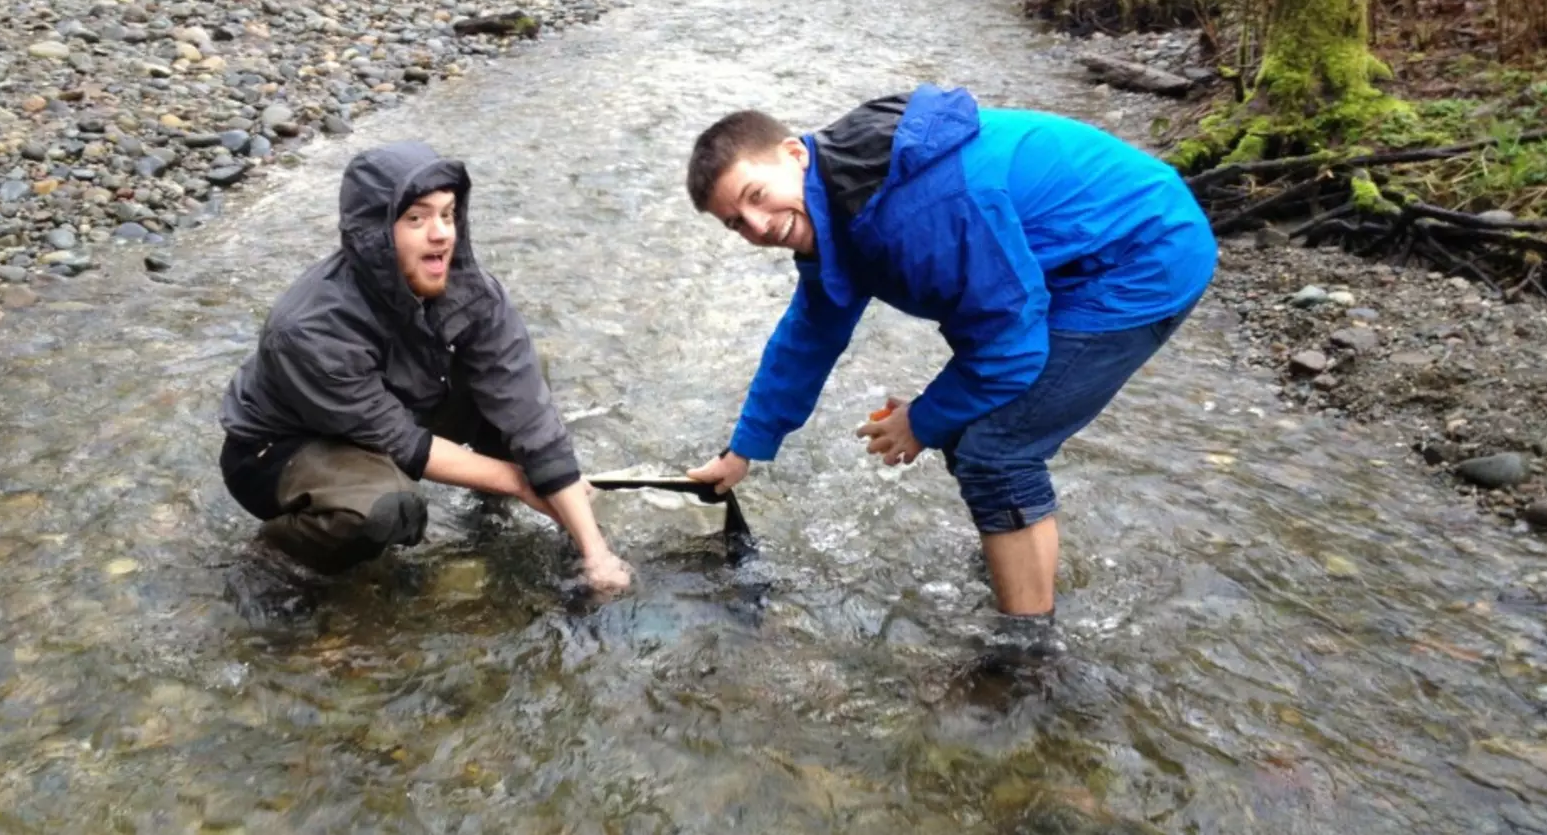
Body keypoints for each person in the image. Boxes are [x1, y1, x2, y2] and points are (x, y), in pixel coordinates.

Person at [683, 84, 1217, 642]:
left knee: (996, 452)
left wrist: (921, 420)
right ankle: (1014, 565)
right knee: (971, 435)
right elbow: (809, 333)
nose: (758, 225)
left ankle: (1027, 654)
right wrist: (742, 450)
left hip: (1142, 256)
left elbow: (1009, 351)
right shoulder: (840, 195)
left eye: (756, 195)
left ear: (794, 154)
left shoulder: (917, 209)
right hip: (1077, 257)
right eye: (736, 222)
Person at [218, 142, 632, 591]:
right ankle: (276, 556)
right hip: (280, 449)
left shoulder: (472, 292)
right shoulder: (310, 329)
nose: (441, 234)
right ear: (374, 233)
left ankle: (492, 517)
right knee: (388, 508)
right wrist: (520, 483)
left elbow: (529, 414)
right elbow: (404, 442)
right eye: (417, 218)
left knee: (516, 388)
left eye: (448, 214)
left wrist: (596, 553)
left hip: (387, 409)